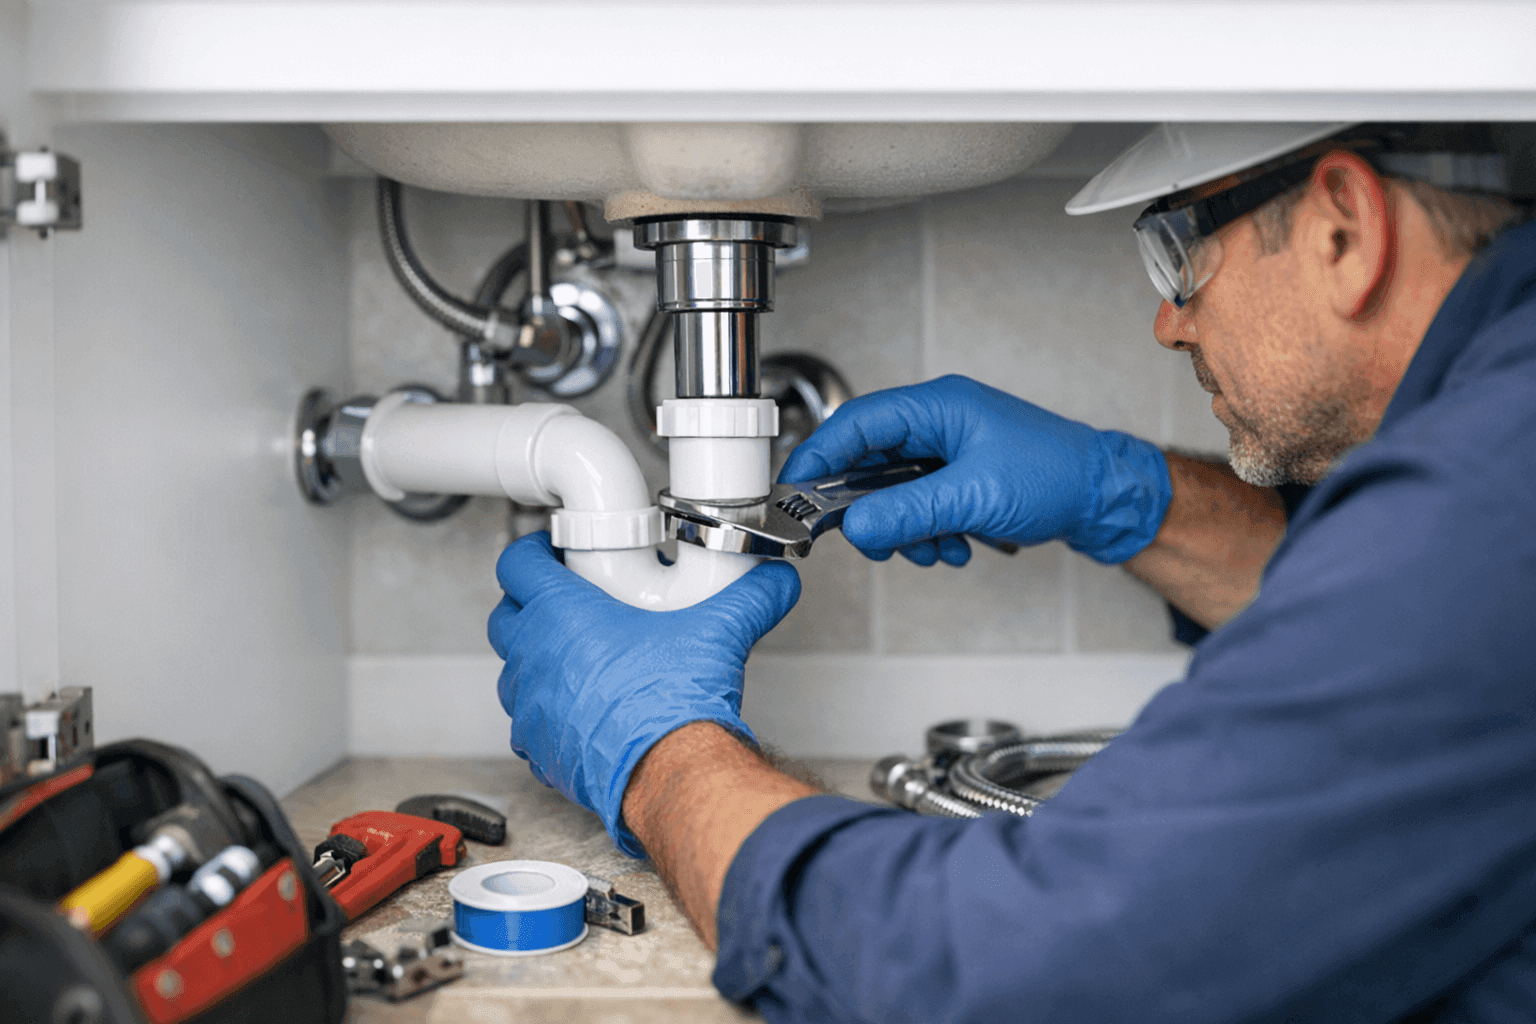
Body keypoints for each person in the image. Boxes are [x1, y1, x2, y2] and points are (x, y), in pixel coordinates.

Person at [487, 122, 1536, 1022]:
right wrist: (1123, 493)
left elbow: (999, 972)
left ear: (1344, 227)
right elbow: (1421, 639)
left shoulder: (1493, 494)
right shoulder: (1496, 450)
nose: (1169, 321)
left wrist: (656, 749)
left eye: (1182, 252)